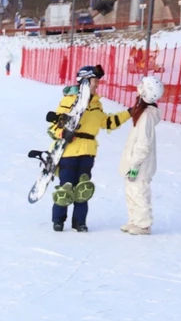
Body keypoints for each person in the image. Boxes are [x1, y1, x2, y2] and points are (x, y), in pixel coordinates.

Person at [49, 64, 129, 232]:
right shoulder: (69, 101)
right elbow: (54, 126)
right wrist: (64, 133)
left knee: (83, 188)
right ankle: (58, 220)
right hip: (69, 151)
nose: (97, 84)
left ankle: (79, 222)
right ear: (85, 81)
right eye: (94, 80)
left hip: (88, 152)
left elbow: (107, 122)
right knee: (66, 186)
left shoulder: (97, 104)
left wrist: (129, 113)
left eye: (97, 80)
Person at [120, 74, 163, 235]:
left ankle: (144, 224)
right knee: (131, 190)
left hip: (140, 164)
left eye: (141, 86)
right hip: (134, 161)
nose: (138, 88)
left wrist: (135, 164)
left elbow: (143, 144)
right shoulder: (142, 112)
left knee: (139, 191)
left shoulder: (146, 116)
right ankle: (134, 220)